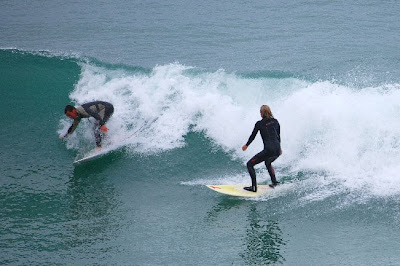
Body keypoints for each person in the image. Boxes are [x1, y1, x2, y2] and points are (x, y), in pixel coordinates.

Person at [242, 105, 282, 192]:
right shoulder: (275, 121)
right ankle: (274, 182)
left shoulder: (259, 124)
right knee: (268, 162)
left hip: (269, 150)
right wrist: (280, 148)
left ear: (261, 113)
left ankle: (253, 187)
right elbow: (278, 136)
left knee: (249, 164)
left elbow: (253, 136)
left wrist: (246, 145)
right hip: (277, 150)